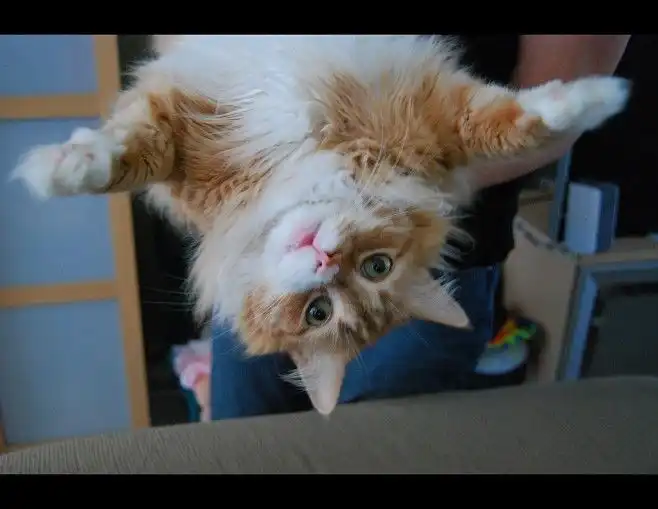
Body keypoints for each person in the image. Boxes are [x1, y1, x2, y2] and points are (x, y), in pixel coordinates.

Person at [209, 35, 631, 420]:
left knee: (350, 450)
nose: (328, 263)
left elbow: (557, 117)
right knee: (241, 441)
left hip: (395, 258)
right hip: (267, 244)